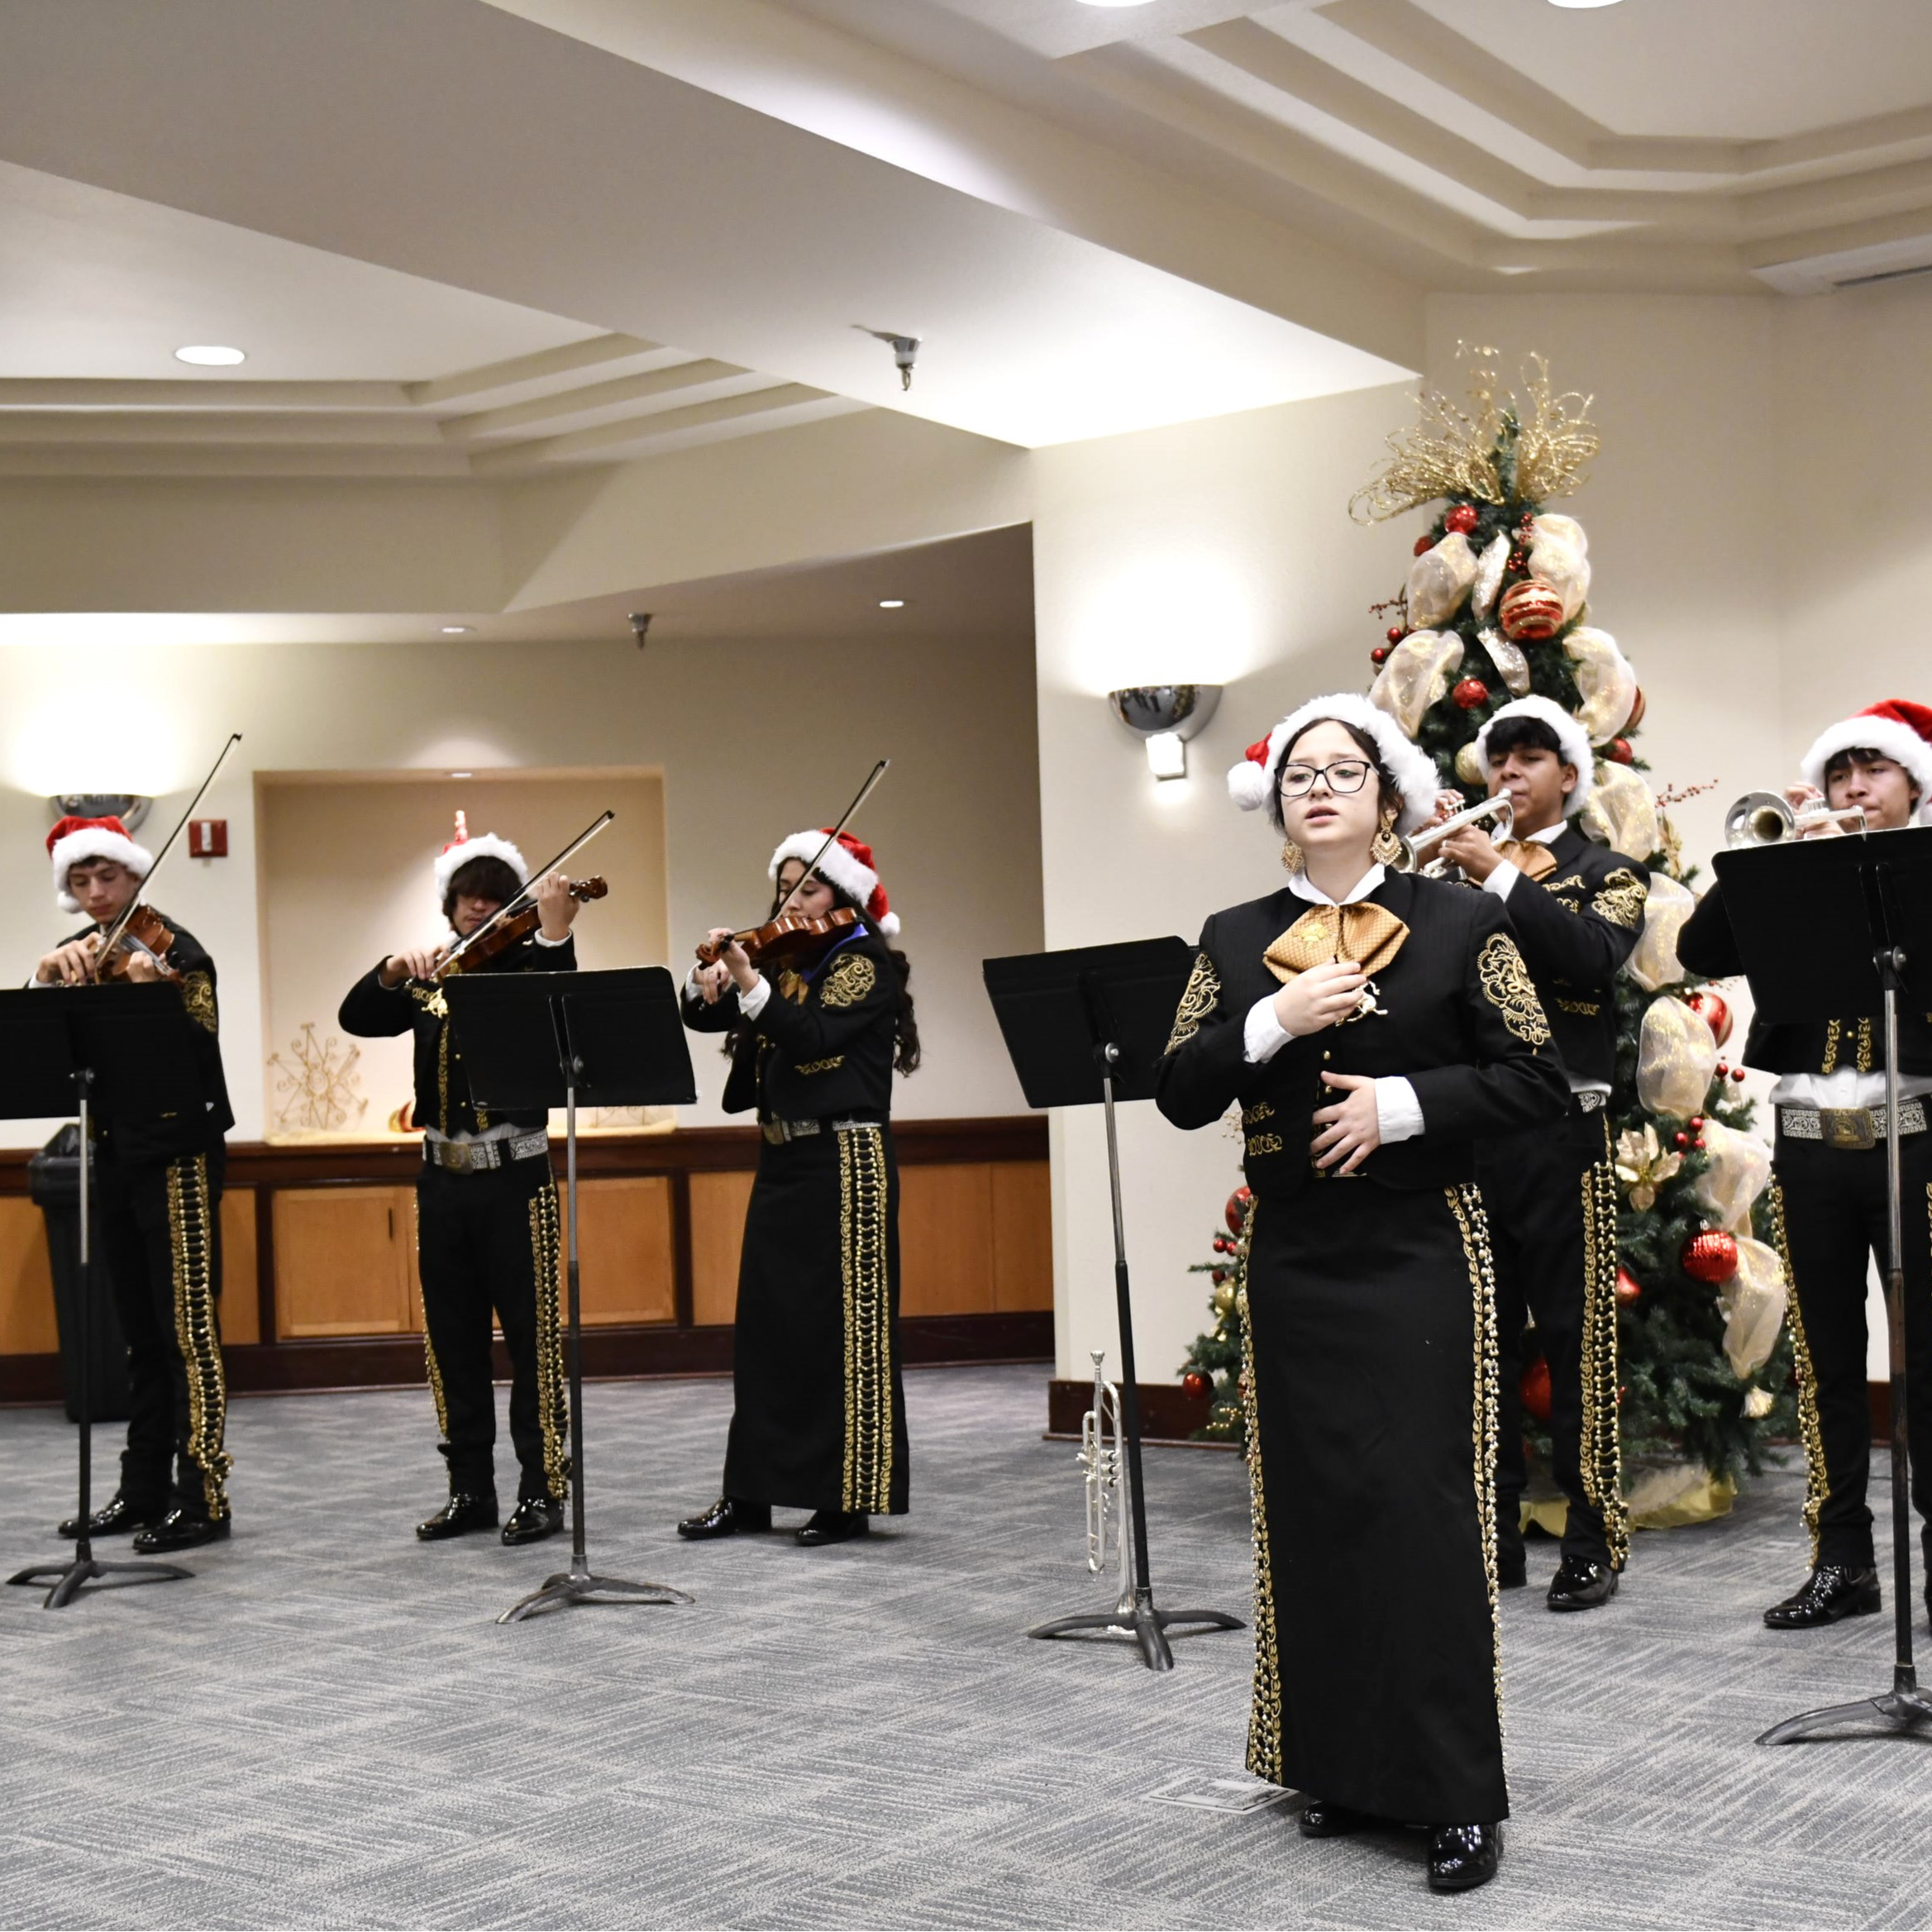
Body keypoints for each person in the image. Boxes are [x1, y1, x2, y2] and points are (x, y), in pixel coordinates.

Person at [1158, 693, 1569, 1894]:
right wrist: (1270, 1022)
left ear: (1386, 795)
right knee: (1316, 1502)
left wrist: (1401, 1106)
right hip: (1294, 1255)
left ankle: (1450, 1792)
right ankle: (1337, 1762)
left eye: (1344, 771)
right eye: (1298, 775)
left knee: (1420, 1509)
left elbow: (1536, 1076)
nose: (1319, 787)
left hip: (1416, 1251)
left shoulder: (1454, 922)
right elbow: (1182, 1088)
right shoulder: (1235, 937)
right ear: (1278, 807)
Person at [1678, 698, 1932, 1632]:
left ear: (1913, 784)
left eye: (1874, 772)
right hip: (1812, 1151)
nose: (1855, 788)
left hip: (1919, 1143)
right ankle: (1843, 1560)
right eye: (1840, 774)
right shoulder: (1790, 873)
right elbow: (1698, 951)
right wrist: (1774, 862)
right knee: (1825, 1363)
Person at [1434, 694, 1648, 1610]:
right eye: (1500, 760)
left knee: (1577, 1341)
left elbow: (1591, 959)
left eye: (1531, 759)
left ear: (1570, 775)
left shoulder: (1613, 873)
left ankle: (1593, 1539)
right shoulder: (1450, 879)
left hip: (1568, 1133)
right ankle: (1498, 1536)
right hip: (1475, 1134)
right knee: (1482, 1344)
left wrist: (1500, 879)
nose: (1510, 775)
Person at [339, 824, 581, 1546]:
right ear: (449, 907)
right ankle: (470, 1488)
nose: (477, 911)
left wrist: (558, 936)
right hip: (441, 1181)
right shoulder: (431, 974)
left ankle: (543, 1491)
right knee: (453, 1342)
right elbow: (359, 1014)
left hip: (516, 1178)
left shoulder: (528, 969)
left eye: (492, 900)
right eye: (466, 899)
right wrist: (389, 969)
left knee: (535, 1343)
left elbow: (563, 1020)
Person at [675, 830, 918, 1549]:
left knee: (840, 1332)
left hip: (847, 1159)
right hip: (783, 1160)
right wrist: (711, 979)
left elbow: (811, 1036)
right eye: (784, 887)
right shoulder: (782, 964)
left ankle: (843, 1497)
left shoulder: (862, 961)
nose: (791, 900)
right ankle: (749, 1493)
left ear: (841, 899)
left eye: (807, 888)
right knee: (766, 1328)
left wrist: (750, 982)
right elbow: (703, 1014)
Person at [33, 814, 236, 1554]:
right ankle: (141, 1487)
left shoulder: (179, 951)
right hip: (113, 1155)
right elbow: (49, 1051)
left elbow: (201, 1046)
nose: (95, 893)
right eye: (80, 881)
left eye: (107, 876)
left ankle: (203, 1492)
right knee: (139, 1336)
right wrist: (45, 980)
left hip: (178, 1154)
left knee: (188, 1330)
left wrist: (159, 993)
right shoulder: (73, 955)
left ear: (135, 874)